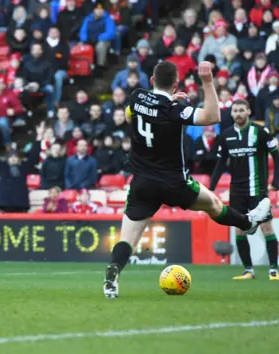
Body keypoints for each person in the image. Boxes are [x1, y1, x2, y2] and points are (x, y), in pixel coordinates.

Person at [103, 61, 272, 299]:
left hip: (142, 182)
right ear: (176, 84)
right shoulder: (175, 110)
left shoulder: (137, 96)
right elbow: (212, 116)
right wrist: (207, 82)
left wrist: (164, 102)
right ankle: (248, 222)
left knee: (127, 238)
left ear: (152, 81)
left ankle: (113, 272)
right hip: (174, 182)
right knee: (213, 205)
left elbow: (131, 117)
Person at [209, 99, 279, 280]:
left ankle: (273, 269)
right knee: (239, 231)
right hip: (237, 192)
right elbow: (220, 163)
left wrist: (276, 181)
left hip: (257, 190)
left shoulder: (261, 132)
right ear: (231, 114)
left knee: (266, 228)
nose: (238, 114)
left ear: (249, 111)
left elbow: (276, 155)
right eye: (235, 111)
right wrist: (211, 188)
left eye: (242, 110)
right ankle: (248, 270)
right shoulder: (226, 135)